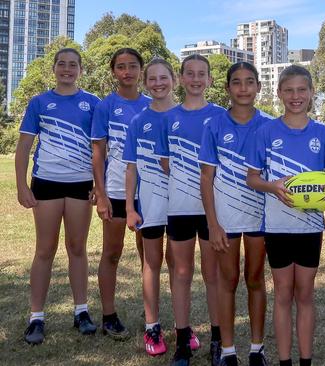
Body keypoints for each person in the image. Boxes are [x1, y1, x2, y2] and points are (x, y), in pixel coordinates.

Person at [245, 64, 325, 366]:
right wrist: (273, 187)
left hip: (310, 228)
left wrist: (323, 195)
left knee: (305, 294)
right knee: (283, 294)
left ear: (311, 93)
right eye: (289, 90)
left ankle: (305, 360)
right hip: (278, 227)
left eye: (302, 90)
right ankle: (284, 360)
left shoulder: (324, 134)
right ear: (279, 93)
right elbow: (252, 177)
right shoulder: (265, 132)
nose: (296, 96)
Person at [16, 48, 100, 345]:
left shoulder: (93, 103)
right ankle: (36, 317)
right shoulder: (39, 102)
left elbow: (101, 148)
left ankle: (82, 312)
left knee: (77, 248)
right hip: (47, 183)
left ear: (80, 70)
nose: (67, 69)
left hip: (80, 184)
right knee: (45, 249)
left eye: (73, 65)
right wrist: (22, 185)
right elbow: (24, 146)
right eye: (62, 64)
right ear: (54, 69)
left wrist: (99, 186)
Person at [198, 62, 271, 366]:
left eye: (249, 82)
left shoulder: (269, 124)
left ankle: (257, 349)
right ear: (227, 88)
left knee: (255, 279)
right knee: (227, 281)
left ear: (258, 87)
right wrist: (213, 224)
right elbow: (206, 178)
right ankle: (227, 351)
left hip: (259, 217)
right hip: (225, 218)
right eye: (237, 83)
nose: (243, 88)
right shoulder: (214, 125)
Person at [154, 54, 224, 366]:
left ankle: (219, 340)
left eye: (202, 74)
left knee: (213, 275)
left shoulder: (222, 116)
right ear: (181, 79)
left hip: (214, 211)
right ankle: (183, 340)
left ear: (210, 80)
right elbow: (165, 163)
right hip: (180, 208)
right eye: (190, 74)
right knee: (180, 274)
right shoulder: (168, 118)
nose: (196, 79)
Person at [91, 48, 150, 339]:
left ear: (141, 70)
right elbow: (98, 152)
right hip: (115, 189)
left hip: (150, 192)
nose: (127, 72)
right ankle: (109, 315)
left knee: (149, 258)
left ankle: (150, 314)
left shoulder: (154, 104)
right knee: (112, 254)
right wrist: (100, 194)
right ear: (114, 71)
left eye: (132, 66)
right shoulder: (105, 106)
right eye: (121, 67)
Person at [123, 58, 177, 356]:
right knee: (151, 263)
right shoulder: (138, 121)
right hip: (151, 204)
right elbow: (130, 169)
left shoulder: (187, 116)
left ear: (174, 80)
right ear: (146, 84)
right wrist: (130, 207)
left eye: (163, 78)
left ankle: (183, 325)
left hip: (183, 205)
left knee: (180, 267)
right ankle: (152, 326)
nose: (158, 83)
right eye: (152, 79)